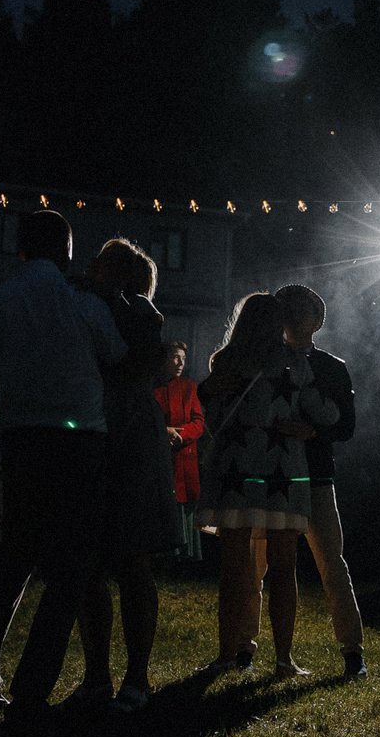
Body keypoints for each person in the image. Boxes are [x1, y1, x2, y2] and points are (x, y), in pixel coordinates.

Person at [0, 210, 125, 717]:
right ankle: (31, 687)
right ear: (67, 252)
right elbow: (117, 358)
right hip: (81, 443)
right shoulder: (84, 305)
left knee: (15, 559)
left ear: (20, 249)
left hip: (23, 441)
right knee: (70, 568)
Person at [196, 292, 330, 678]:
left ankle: (227, 653)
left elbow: (210, 409)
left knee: (233, 568)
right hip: (281, 473)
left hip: (235, 471)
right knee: (284, 568)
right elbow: (315, 408)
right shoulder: (293, 363)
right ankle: (284, 659)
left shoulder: (224, 363)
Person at [74, 239, 178, 710]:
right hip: (98, 434)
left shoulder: (140, 312)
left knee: (132, 560)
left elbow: (136, 362)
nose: (90, 269)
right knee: (91, 562)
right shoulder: (99, 305)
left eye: (100, 264)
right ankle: (97, 677)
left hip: (130, 438)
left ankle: (135, 678)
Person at [269, 284, 367, 679]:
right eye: (287, 309)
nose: (293, 316)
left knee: (331, 562)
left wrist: (312, 433)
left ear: (318, 320)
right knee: (266, 564)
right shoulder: (269, 360)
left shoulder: (331, 367)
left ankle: (353, 651)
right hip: (274, 472)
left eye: (302, 309)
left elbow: (345, 426)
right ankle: (252, 649)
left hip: (315, 475)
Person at [153, 341, 205, 560]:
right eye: (175, 357)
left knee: (184, 505)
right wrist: (164, 431)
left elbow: (198, 420)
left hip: (184, 456)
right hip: (161, 457)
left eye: (183, 358)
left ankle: (184, 555)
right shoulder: (151, 386)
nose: (180, 363)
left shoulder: (189, 386)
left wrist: (181, 436)